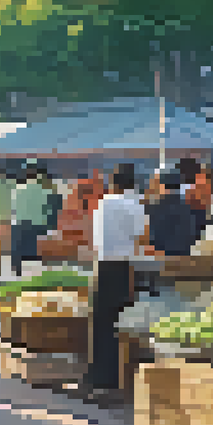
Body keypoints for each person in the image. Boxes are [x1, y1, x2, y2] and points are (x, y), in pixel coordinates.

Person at [89, 164, 147, 393]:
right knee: (122, 322)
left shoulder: (103, 203)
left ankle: (99, 377)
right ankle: (119, 378)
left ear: (114, 183)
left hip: (103, 266)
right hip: (124, 267)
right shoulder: (134, 205)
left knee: (101, 322)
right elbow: (143, 237)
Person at [10, 165, 51, 277]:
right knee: (33, 251)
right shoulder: (42, 190)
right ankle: (32, 275)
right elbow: (45, 208)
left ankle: (17, 272)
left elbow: (13, 207)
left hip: (20, 223)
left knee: (18, 251)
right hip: (36, 224)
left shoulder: (18, 189)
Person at [147, 169, 198, 257]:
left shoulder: (155, 208)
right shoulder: (187, 208)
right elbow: (192, 236)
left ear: (163, 186)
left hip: (162, 258)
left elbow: (152, 237)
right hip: (184, 257)